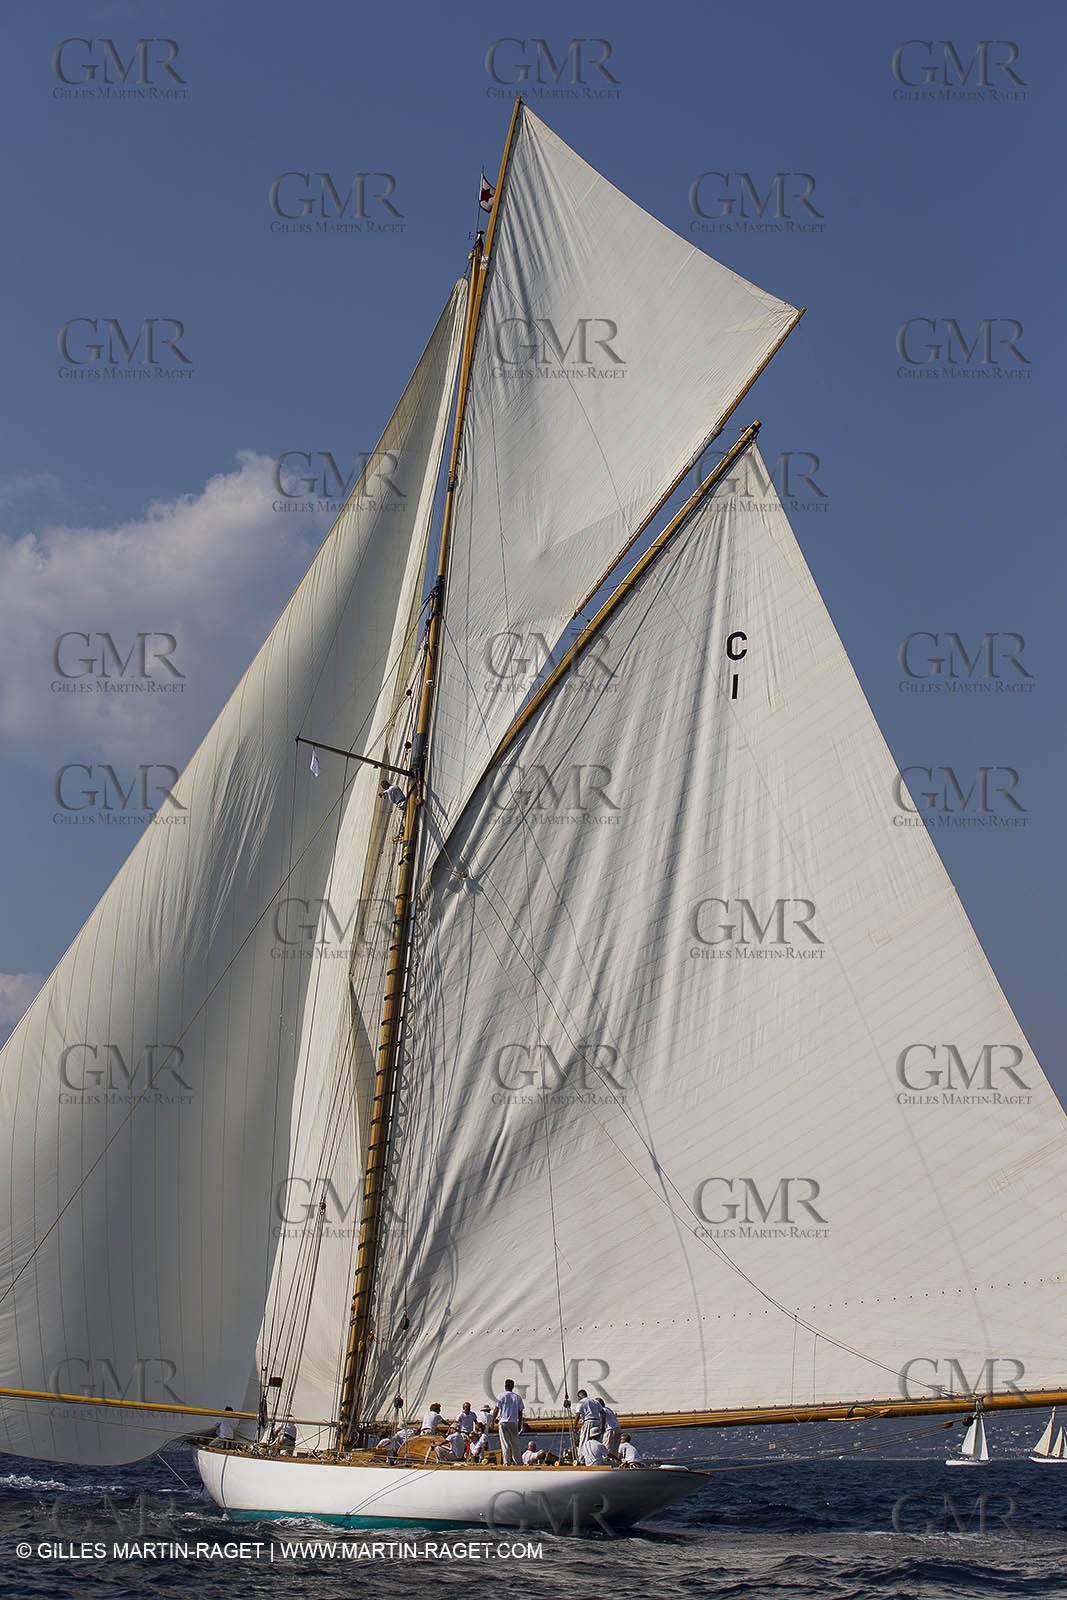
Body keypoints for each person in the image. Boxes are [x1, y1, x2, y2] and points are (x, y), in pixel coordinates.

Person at [492, 1378, 526, 1466]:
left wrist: (492, 1421)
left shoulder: (501, 1396)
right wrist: (519, 1424)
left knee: (505, 1443)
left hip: (503, 1421)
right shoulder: (517, 1398)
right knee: (515, 1443)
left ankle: (507, 1462)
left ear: (505, 1386)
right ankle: (518, 1462)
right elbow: (520, 1412)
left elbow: (496, 1409)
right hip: (513, 1422)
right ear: (513, 1387)